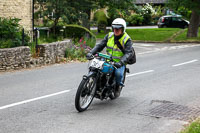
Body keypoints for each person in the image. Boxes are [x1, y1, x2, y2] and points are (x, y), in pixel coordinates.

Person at [86, 18, 135, 97]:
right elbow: (100, 45)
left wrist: (121, 62)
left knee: (118, 74)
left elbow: (128, 53)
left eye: (118, 28)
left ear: (123, 29)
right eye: (114, 28)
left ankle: (118, 87)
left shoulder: (127, 39)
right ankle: (90, 84)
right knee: (94, 67)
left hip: (119, 62)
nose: (116, 30)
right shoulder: (109, 35)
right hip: (107, 59)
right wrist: (91, 52)